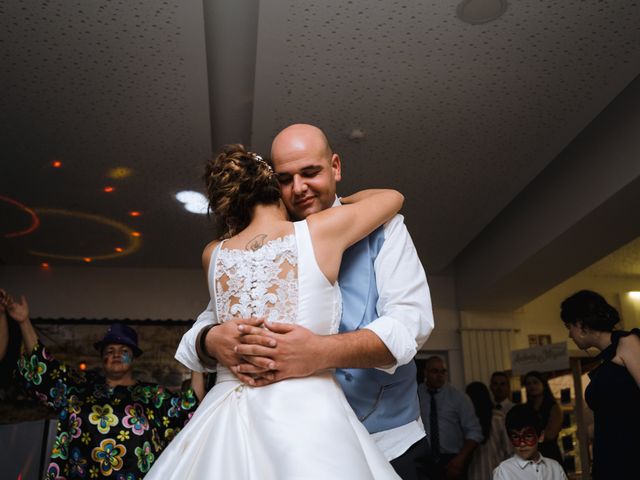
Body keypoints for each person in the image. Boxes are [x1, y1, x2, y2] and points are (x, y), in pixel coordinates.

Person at [176, 124, 434, 479]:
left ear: (336, 167)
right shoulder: (252, 248)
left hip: (389, 442)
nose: (299, 188)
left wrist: (319, 353)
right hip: (286, 445)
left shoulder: (385, 229)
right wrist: (210, 341)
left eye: (310, 173)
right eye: (285, 178)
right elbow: (204, 326)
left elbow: (410, 327)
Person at [2, 292, 201, 479]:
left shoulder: (152, 396)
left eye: (123, 349)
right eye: (110, 349)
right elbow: (44, 367)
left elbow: (190, 408)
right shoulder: (79, 389)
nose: (116, 354)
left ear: (134, 357)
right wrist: (23, 321)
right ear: (102, 357)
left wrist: (199, 352)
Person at [561, 289, 640, 479]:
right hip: (610, 459)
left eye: (569, 326)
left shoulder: (627, 343)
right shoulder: (605, 358)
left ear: (580, 324)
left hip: (630, 459)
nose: (570, 334)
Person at [418, 356, 483, 479]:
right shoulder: (415, 395)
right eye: (434, 371)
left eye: (443, 371)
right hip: (424, 461)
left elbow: (474, 432)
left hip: (451, 460)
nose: (439, 375)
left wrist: (460, 459)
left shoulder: (458, 397)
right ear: (425, 372)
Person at [493, 404, 567, 480]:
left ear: (541, 436)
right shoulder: (504, 472)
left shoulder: (555, 469)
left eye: (528, 436)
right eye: (516, 437)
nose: (522, 443)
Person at [465, 381, 511, 480]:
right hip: (498, 472)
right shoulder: (498, 417)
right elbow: (508, 450)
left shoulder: (466, 421)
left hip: (473, 473)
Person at [522, 371, 563, 465]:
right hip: (531, 456)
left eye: (535, 382)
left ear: (543, 385)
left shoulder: (553, 408)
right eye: (528, 383)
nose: (532, 386)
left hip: (550, 454)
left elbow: (550, 434)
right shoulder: (525, 409)